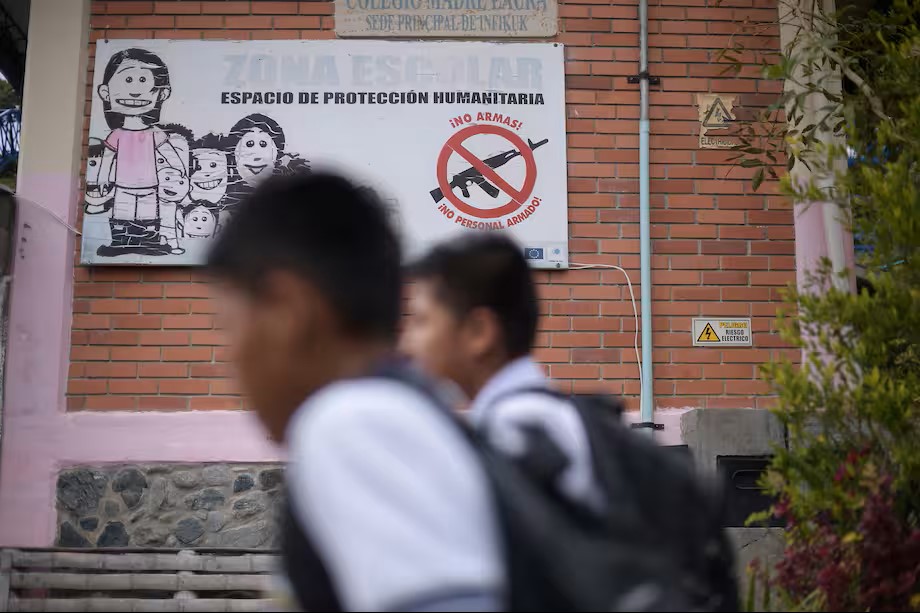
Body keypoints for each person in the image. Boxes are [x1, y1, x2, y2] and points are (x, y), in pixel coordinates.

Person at [207, 173, 504, 612]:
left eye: (228, 327)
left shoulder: (354, 422)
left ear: (289, 309)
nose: (229, 356)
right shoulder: (408, 407)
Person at [401, 233, 604, 511]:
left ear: (479, 332)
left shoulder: (515, 433)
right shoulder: (544, 418)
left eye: (421, 321)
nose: (406, 344)